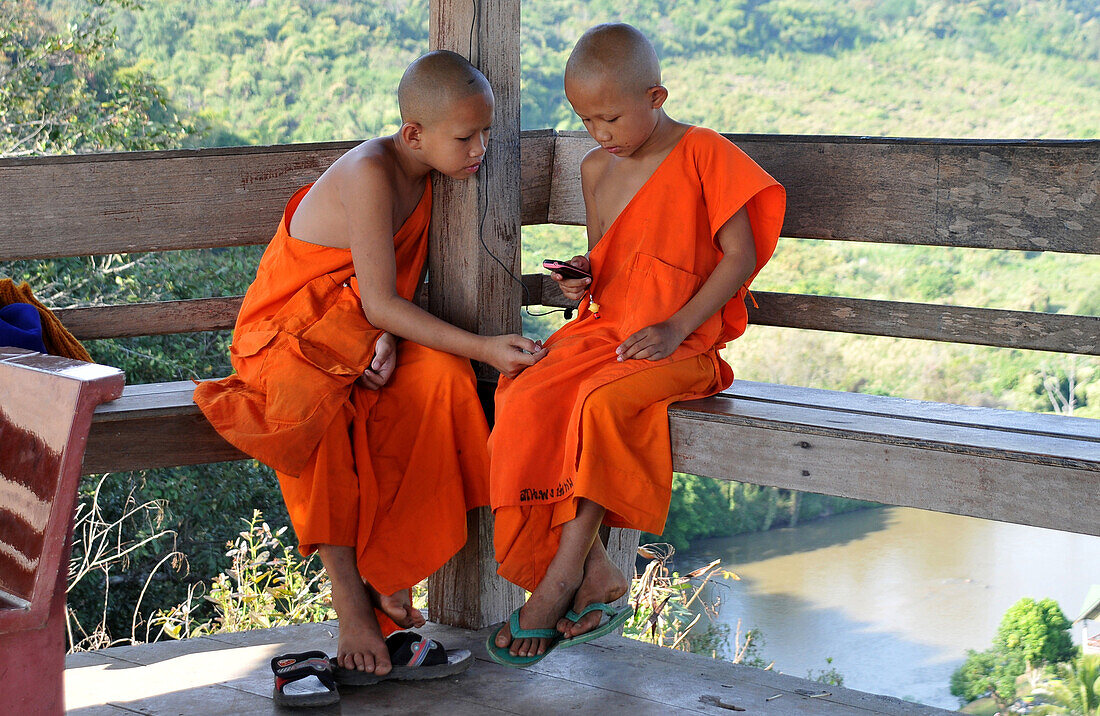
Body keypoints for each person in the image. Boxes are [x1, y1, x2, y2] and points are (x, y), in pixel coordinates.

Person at [195, 50, 545, 680]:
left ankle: (390, 572)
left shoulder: (435, 174)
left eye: (486, 133)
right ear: (413, 134)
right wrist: (487, 346)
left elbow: (378, 301)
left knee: (443, 379)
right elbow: (374, 300)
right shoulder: (370, 172)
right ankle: (352, 603)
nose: (480, 149)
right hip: (288, 343)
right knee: (318, 410)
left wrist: (374, 338)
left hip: (364, 337)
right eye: (466, 136)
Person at [487, 23, 786, 664]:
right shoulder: (598, 169)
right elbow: (608, 269)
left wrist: (677, 325)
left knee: (598, 407)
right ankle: (596, 571)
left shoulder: (706, 153)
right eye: (586, 120)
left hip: (683, 346)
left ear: (657, 95)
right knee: (521, 394)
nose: (600, 135)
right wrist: (579, 282)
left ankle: (560, 582)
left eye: (612, 118)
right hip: (608, 332)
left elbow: (742, 255)